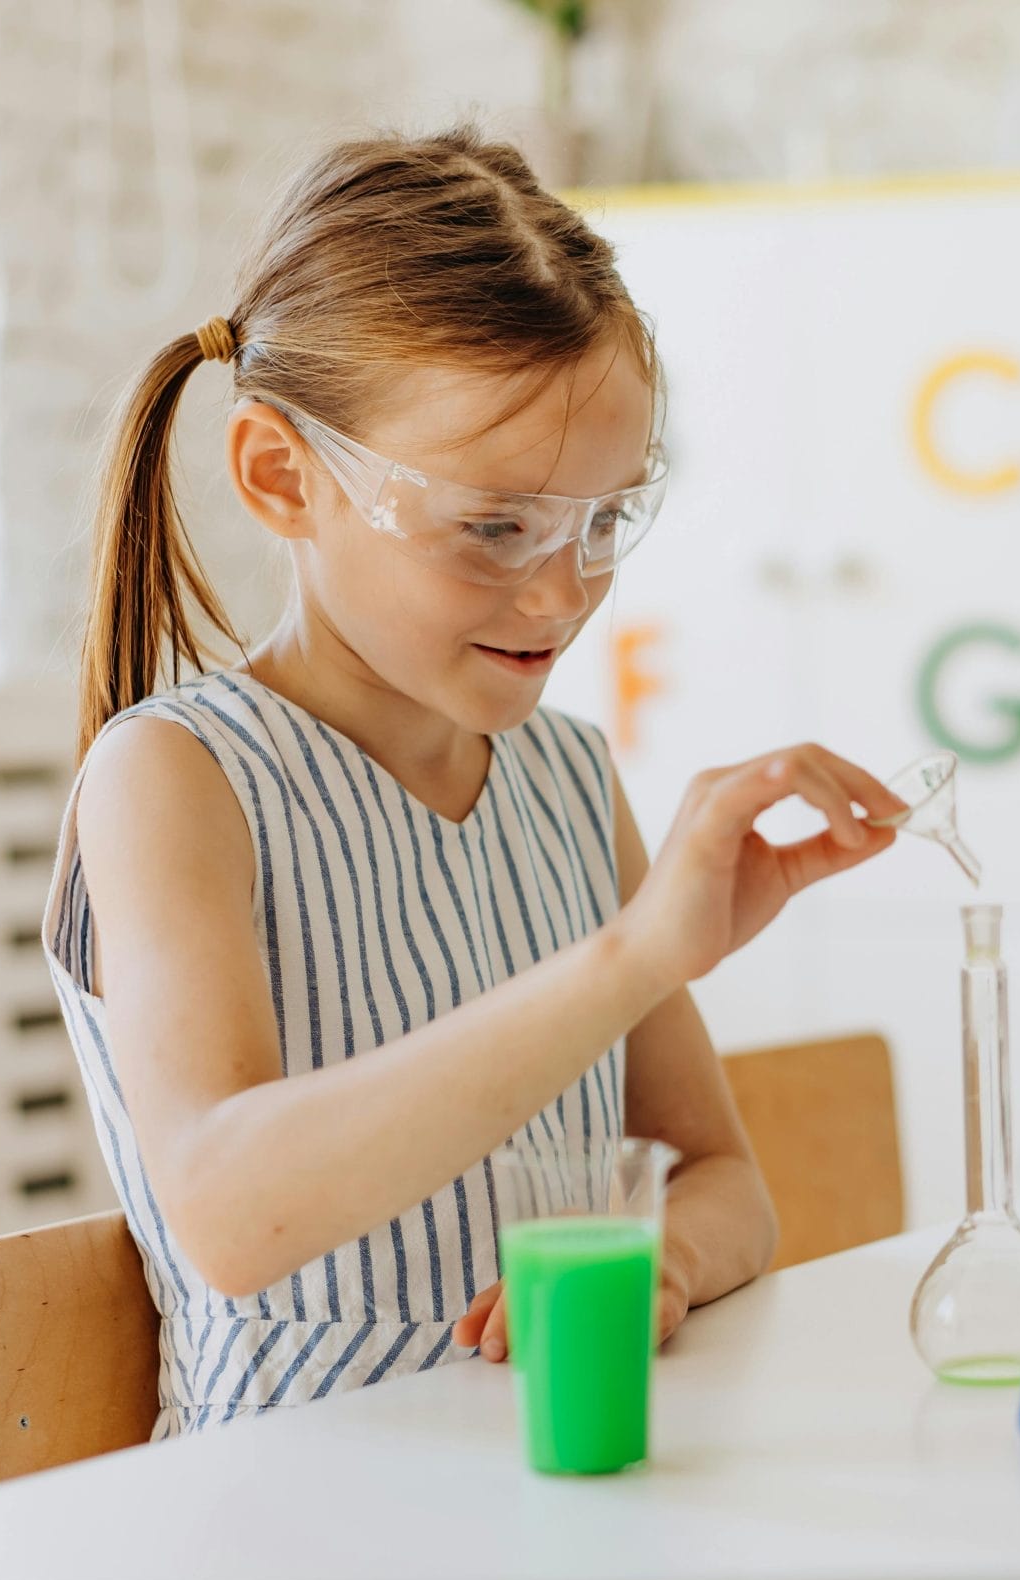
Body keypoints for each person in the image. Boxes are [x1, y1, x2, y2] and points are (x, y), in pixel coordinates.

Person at [44, 125, 901, 1436]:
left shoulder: (565, 777)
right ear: (283, 476)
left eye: (604, 521)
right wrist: (626, 959)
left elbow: (725, 1181)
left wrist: (661, 1257)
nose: (562, 595)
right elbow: (229, 1211)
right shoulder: (175, 775)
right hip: (291, 1527)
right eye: (495, 527)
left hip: (554, 1487)